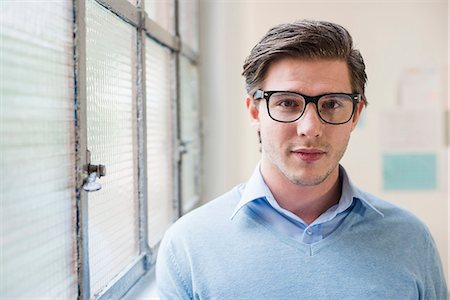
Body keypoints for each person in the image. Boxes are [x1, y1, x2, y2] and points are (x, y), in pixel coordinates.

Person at [156, 19, 448, 299]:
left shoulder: (410, 239)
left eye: (332, 104)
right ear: (255, 112)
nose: (310, 128)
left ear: (356, 114)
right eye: (287, 103)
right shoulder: (189, 245)